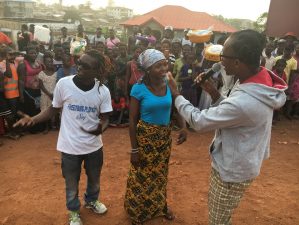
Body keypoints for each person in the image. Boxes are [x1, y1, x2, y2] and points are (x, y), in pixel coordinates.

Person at [166, 29, 287, 225]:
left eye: (224, 57)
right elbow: (236, 114)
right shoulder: (260, 79)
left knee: (218, 220)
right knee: (223, 216)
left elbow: (198, 121)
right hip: (242, 159)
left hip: (231, 171)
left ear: (238, 62)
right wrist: (215, 94)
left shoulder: (245, 101)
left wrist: (175, 94)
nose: (220, 62)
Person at [14, 50, 112, 225]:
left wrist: (100, 129)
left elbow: (105, 118)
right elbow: (53, 109)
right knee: (71, 182)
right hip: (69, 147)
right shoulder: (64, 84)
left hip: (94, 147)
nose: (79, 66)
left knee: (94, 178)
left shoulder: (102, 91)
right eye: (79, 62)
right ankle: (73, 210)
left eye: (85, 65)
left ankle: (91, 201)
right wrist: (33, 119)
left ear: (97, 71)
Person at [124, 49, 187, 225]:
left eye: (164, 64)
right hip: (145, 137)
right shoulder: (138, 88)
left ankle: (160, 206)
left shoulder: (169, 83)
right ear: (148, 69)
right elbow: (132, 120)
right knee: (141, 175)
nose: (163, 68)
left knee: (160, 174)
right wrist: (134, 149)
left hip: (163, 137)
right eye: (158, 66)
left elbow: (177, 103)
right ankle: (137, 211)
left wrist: (183, 126)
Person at [37, 53, 57, 133]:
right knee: (45, 111)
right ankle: (46, 127)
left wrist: (54, 94)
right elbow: (41, 86)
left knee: (55, 110)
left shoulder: (56, 73)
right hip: (45, 95)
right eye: (48, 62)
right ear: (44, 63)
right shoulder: (41, 74)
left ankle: (54, 125)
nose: (50, 63)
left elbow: (58, 84)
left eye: (51, 62)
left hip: (54, 95)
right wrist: (49, 94)